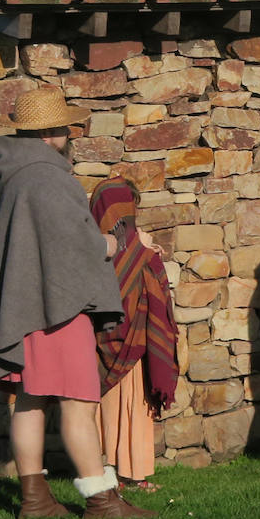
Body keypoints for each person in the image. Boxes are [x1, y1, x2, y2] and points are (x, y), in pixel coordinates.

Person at [0, 87, 154, 519]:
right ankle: (101, 500)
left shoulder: (9, 176)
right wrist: (109, 243)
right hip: (56, 308)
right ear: (52, 132)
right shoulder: (48, 177)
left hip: (21, 308)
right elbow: (74, 244)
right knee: (79, 403)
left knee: (30, 400)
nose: (69, 134)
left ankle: (35, 500)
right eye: (65, 126)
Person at [92, 177, 179, 493]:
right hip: (134, 346)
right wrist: (146, 251)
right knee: (131, 408)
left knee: (106, 409)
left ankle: (104, 470)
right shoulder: (137, 251)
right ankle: (132, 473)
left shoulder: (88, 245)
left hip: (99, 347)